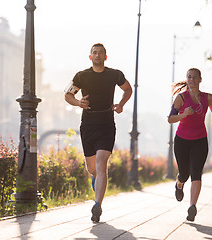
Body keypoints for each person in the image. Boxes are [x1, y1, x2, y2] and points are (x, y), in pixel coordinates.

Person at [64, 43, 132, 223]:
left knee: (102, 163)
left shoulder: (114, 74)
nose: (98, 55)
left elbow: (128, 89)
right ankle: (96, 180)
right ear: (90, 56)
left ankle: (97, 205)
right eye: (95, 52)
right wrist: (78, 103)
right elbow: (68, 95)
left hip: (107, 124)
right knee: (92, 168)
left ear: (105, 57)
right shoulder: (81, 76)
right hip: (88, 124)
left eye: (101, 53)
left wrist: (121, 104)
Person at [167, 68, 212, 222]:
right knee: (184, 173)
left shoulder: (208, 97)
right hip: (182, 140)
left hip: (200, 140)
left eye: (194, 77)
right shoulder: (181, 98)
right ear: (187, 79)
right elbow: (170, 118)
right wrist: (184, 114)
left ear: (200, 79)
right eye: (189, 77)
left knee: (196, 172)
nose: (191, 80)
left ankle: (192, 206)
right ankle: (179, 184)